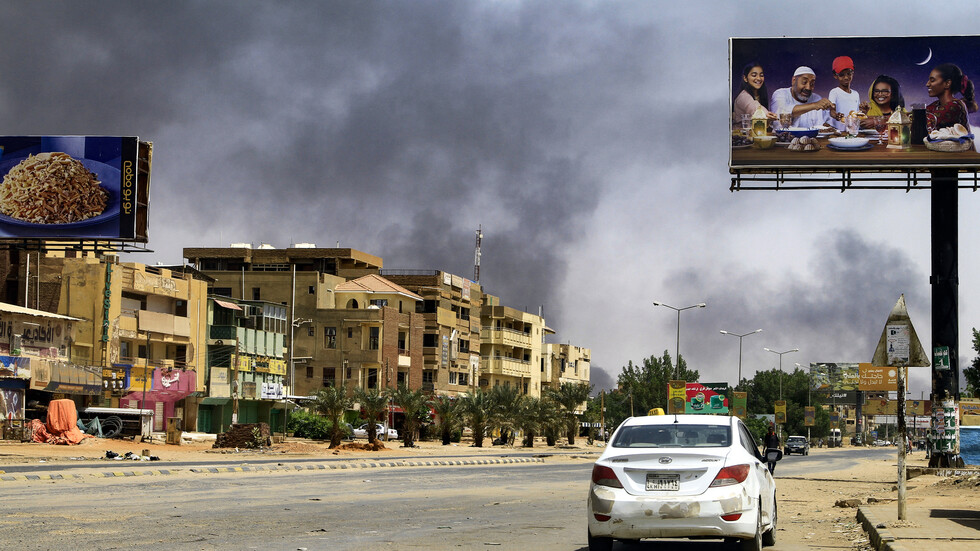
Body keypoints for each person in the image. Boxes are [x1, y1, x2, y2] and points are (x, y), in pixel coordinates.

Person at [770, 66, 836, 129]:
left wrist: (832, 118)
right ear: (794, 80)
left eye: (812, 84)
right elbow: (784, 113)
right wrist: (814, 105)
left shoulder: (816, 98)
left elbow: (824, 124)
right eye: (804, 82)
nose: (808, 88)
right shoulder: (780, 94)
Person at [926, 62, 978, 130]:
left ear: (947, 83)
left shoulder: (955, 106)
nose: (927, 84)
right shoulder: (936, 104)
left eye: (932, 80)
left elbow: (924, 123)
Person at [828, 56, 860, 130]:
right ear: (835, 76)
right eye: (841, 75)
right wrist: (836, 115)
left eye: (849, 73)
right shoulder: (834, 92)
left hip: (852, 131)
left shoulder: (856, 94)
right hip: (839, 132)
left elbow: (857, 115)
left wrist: (864, 111)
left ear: (853, 73)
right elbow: (832, 110)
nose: (846, 77)